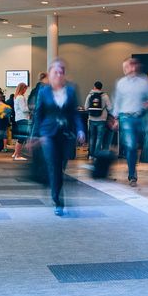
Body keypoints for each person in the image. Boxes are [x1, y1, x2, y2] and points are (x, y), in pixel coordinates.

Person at [29, 58, 83, 210]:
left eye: (61, 72)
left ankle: (55, 189)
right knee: (54, 166)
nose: (58, 75)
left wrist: (80, 129)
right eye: (55, 72)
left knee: (61, 166)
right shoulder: (44, 91)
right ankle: (57, 199)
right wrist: (34, 136)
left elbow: (74, 113)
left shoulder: (71, 90)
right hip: (48, 135)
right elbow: (38, 114)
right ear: (49, 74)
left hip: (65, 134)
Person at [112, 57, 148, 185]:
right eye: (124, 67)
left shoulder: (143, 82)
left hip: (140, 118)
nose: (125, 70)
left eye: (126, 66)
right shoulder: (120, 82)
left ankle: (132, 165)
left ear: (133, 67)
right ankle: (132, 175)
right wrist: (115, 118)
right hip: (125, 117)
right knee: (131, 145)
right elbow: (117, 101)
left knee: (137, 145)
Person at [84, 81, 109, 156]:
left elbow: (85, 107)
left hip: (91, 119)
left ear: (94, 87)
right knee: (99, 138)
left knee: (92, 137)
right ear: (101, 88)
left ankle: (91, 155)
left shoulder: (89, 95)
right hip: (101, 119)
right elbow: (110, 107)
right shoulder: (105, 96)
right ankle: (97, 155)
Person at [11, 82, 31, 161]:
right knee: (21, 138)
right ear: (22, 89)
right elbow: (24, 109)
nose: (25, 90)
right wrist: (31, 108)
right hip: (23, 118)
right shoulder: (21, 97)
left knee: (20, 137)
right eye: (25, 89)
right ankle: (18, 155)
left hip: (19, 118)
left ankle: (16, 153)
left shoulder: (16, 97)